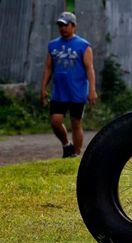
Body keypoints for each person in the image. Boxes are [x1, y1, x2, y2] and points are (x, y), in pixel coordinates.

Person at [40, 11, 97, 158]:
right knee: (55, 121)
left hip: (77, 91)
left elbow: (90, 69)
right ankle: (67, 144)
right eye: (60, 25)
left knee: (75, 122)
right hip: (59, 91)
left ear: (74, 26)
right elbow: (48, 68)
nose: (63, 28)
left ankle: (76, 155)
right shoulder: (53, 45)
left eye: (66, 25)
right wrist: (43, 88)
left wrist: (92, 90)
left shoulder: (83, 46)